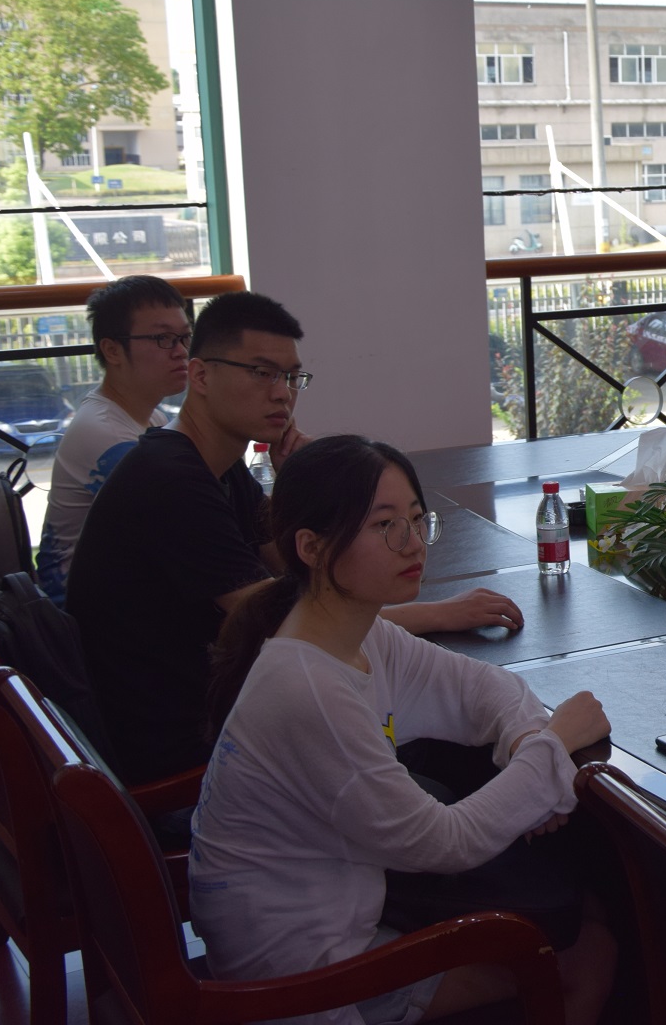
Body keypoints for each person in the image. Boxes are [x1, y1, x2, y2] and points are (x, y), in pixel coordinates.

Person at [190, 435, 615, 1025]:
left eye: (417, 519)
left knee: (582, 915)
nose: (413, 543)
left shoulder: (355, 633)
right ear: (311, 547)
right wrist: (550, 750)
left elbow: (481, 689)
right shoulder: (307, 688)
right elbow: (445, 843)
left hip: (335, 926)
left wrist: (525, 741)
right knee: (588, 953)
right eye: (385, 525)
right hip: (301, 982)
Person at [68, 291, 523, 784]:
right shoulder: (169, 479)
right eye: (261, 373)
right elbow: (285, 616)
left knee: (458, 732)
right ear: (200, 376)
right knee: (460, 748)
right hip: (198, 754)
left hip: (236, 710)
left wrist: (299, 484)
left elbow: (295, 566)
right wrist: (437, 613)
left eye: (291, 377)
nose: (282, 394)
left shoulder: (216, 466)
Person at [35, 275, 190, 607]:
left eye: (184, 337)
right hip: (83, 616)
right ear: (112, 350)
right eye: (163, 338)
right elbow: (186, 526)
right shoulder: (107, 434)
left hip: (121, 595)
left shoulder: (151, 417)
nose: (181, 352)